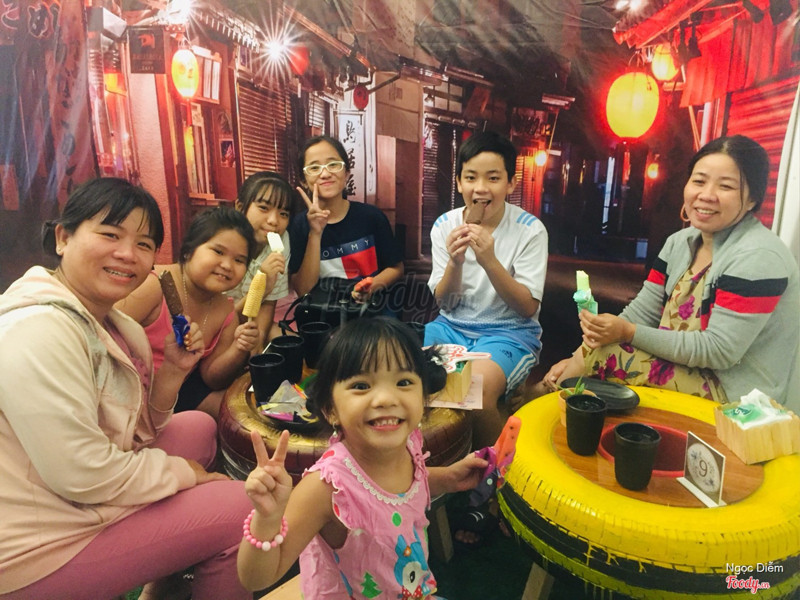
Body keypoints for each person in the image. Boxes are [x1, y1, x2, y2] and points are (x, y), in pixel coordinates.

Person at [0, 178, 252, 600]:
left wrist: (173, 372)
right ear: (63, 238)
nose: (127, 254)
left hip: (76, 495)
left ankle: (159, 587)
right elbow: (81, 474)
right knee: (243, 508)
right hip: (38, 539)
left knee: (198, 427)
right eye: (110, 234)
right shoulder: (36, 330)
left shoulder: (118, 326)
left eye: (144, 244)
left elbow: (135, 432)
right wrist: (182, 474)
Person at [237, 317, 489, 598]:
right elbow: (256, 578)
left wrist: (449, 478)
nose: (385, 399)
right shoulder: (327, 488)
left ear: (423, 397)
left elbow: (397, 489)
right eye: (361, 386)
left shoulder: (408, 444)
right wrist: (267, 519)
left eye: (404, 382)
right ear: (330, 410)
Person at [540, 135, 800, 405]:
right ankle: (542, 399)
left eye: (726, 186)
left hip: (733, 392)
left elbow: (719, 351)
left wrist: (625, 333)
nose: (706, 195)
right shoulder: (679, 243)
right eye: (699, 181)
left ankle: (535, 400)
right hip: (684, 366)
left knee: (603, 358)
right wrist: (580, 354)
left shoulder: (759, 256)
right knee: (596, 354)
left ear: (753, 199)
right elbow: (642, 313)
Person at [426, 131, 548, 449]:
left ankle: (501, 472)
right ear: (458, 183)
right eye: (471, 177)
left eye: (493, 178)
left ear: (510, 184)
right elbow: (445, 303)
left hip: (509, 333)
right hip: (449, 328)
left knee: (473, 392)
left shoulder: (530, 231)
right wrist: (455, 262)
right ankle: (434, 464)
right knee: (402, 373)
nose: (480, 188)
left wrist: (489, 261)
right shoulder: (444, 226)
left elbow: (527, 307)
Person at [117, 206, 259, 418]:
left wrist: (239, 348)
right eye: (218, 251)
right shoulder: (155, 285)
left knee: (243, 411)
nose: (227, 265)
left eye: (239, 260)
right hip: (128, 392)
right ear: (188, 251)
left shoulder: (225, 309)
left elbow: (212, 378)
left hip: (179, 388)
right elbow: (102, 332)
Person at [288, 135, 404, 306]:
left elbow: (396, 267)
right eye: (314, 168)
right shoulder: (298, 226)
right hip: (321, 316)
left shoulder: (371, 217)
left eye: (333, 165)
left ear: (346, 173)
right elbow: (304, 290)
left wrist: (371, 287)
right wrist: (315, 233)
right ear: (303, 181)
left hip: (370, 313)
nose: (325, 174)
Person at [229, 170, 295, 345]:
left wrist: (258, 348)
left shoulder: (282, 239)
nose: (274, 221)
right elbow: (219, 321)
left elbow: (268, 305)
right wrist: (260, 288)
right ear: (240, 207)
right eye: (264, 208)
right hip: (215, 327)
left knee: (296, 345)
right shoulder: (224, 243)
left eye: (283, 213)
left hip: (250, 320)